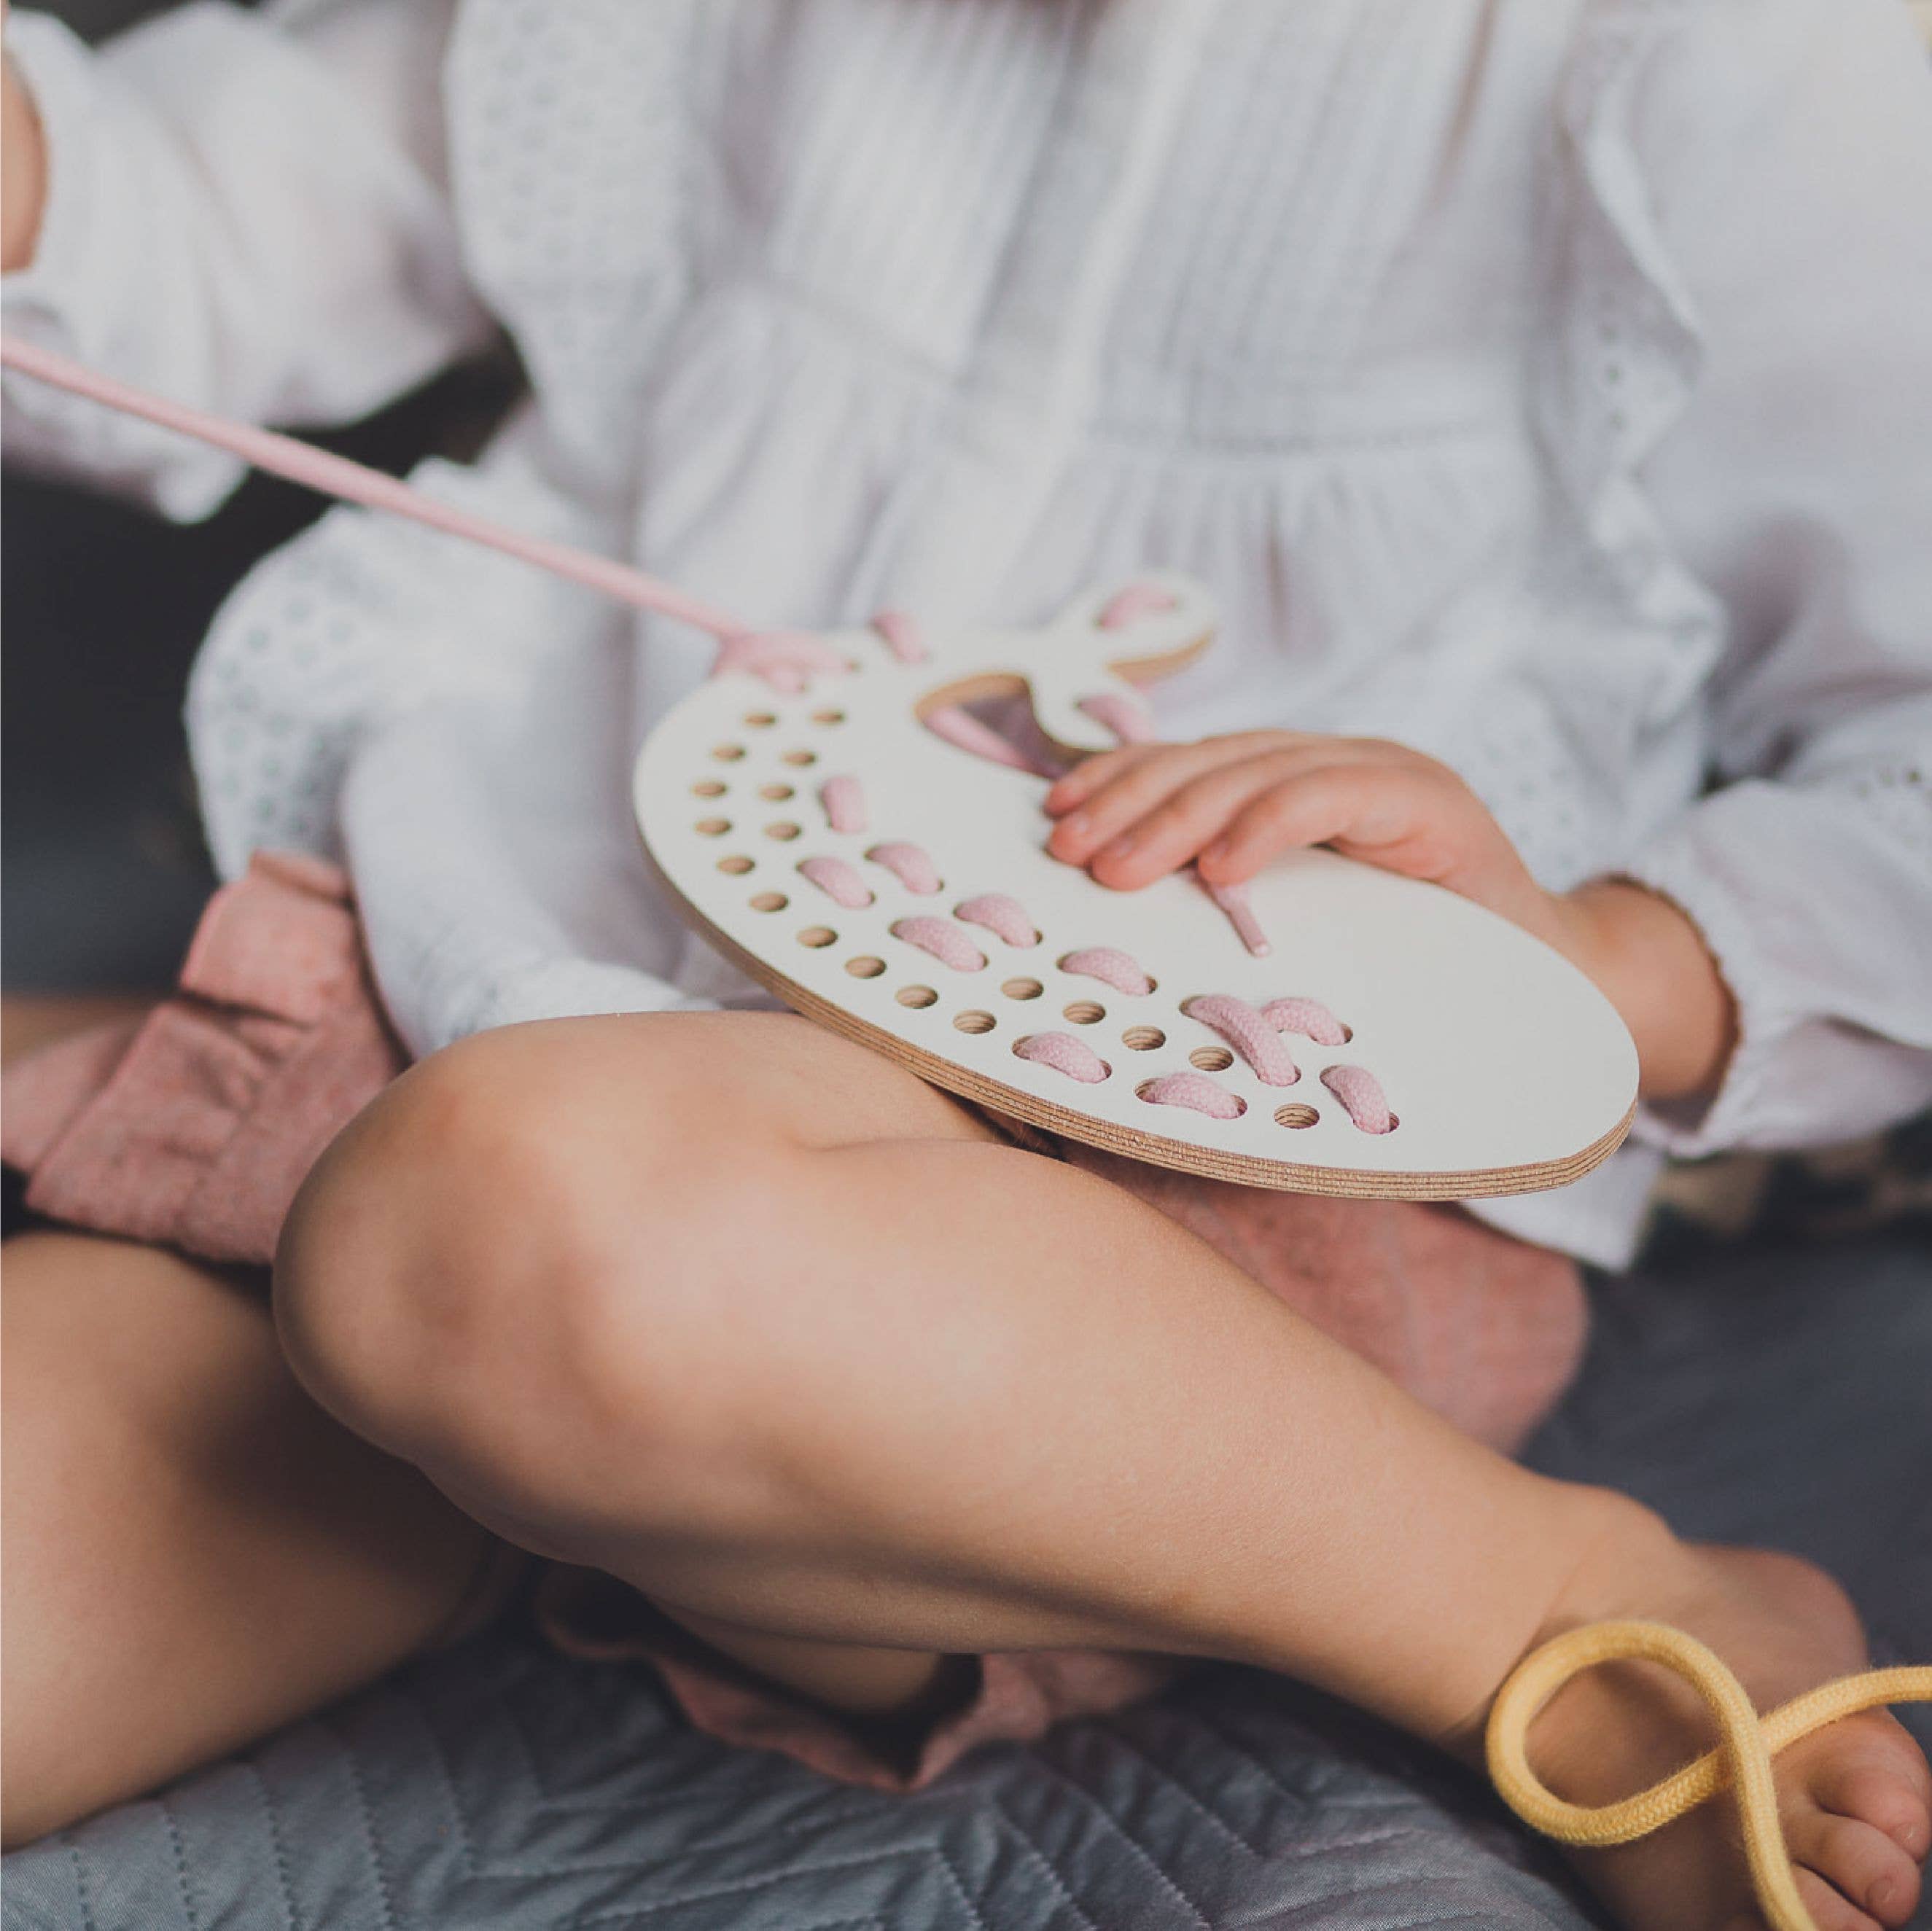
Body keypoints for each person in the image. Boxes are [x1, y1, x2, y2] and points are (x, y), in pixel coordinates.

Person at [4, 4, 1931, 1924]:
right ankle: (538, 1473)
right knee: (425, 1257)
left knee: (529, 1223)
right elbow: (209, 217)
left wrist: (1599, 956)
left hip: (1183, 1187)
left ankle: (1544, 1598)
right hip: (450, 1009)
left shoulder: (1724, 70)